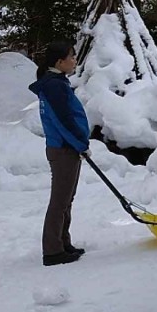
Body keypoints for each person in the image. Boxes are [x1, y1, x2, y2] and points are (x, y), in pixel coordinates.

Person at [28, 41, 91, 267]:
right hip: (64, 148)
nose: (74, 60)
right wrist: (80, 144)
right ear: (59, 62)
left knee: (66, 199)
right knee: (60, 201)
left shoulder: (57, 83)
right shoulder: (54, 86)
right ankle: (53, 250)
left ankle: (63, 242)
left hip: (67, 147)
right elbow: (63, 121)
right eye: (71, 57)